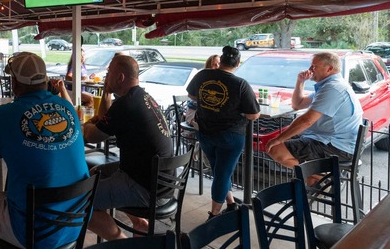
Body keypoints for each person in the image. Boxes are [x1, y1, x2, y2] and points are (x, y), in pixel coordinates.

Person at [0, 52, 89, 248]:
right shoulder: (67, 106)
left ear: (15, 83)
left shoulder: (2, 115)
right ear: (45, 80)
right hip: (76, 222)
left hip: (33, 230)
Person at [83, 55, 173, 240]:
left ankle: (122, 243)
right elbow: (105, 119)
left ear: (120, 77)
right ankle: (139, 223)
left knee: (81, 200)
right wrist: (106, 93)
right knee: (97, 172)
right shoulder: (144, 97)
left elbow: (92, 136)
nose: (106, 76)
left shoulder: (125, 105)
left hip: (146, 188)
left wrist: (84, 124)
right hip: (162, 182)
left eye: (109, 73)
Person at [186, 46, 260, 219]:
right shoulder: (240, 84)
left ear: (221, 60)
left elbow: (191, 95)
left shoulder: (203, 75)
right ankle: (214, 215)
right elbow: (253, 115)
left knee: (219, 171)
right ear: (238, 63)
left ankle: (231, 203)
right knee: (222, 174)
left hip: (205, 132)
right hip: (230, 136)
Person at [266, 52, 363, 173]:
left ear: (330, 69)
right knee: (280, 144)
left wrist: (278, 139)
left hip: (337, 147)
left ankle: (319, 177)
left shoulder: (333, 88)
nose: (310, 69)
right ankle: (317, 178)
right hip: (325, 138)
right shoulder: (328, 86)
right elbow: (298, 104)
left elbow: (307, 120)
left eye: (315, 66)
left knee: (276, 149)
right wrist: (300, 81)